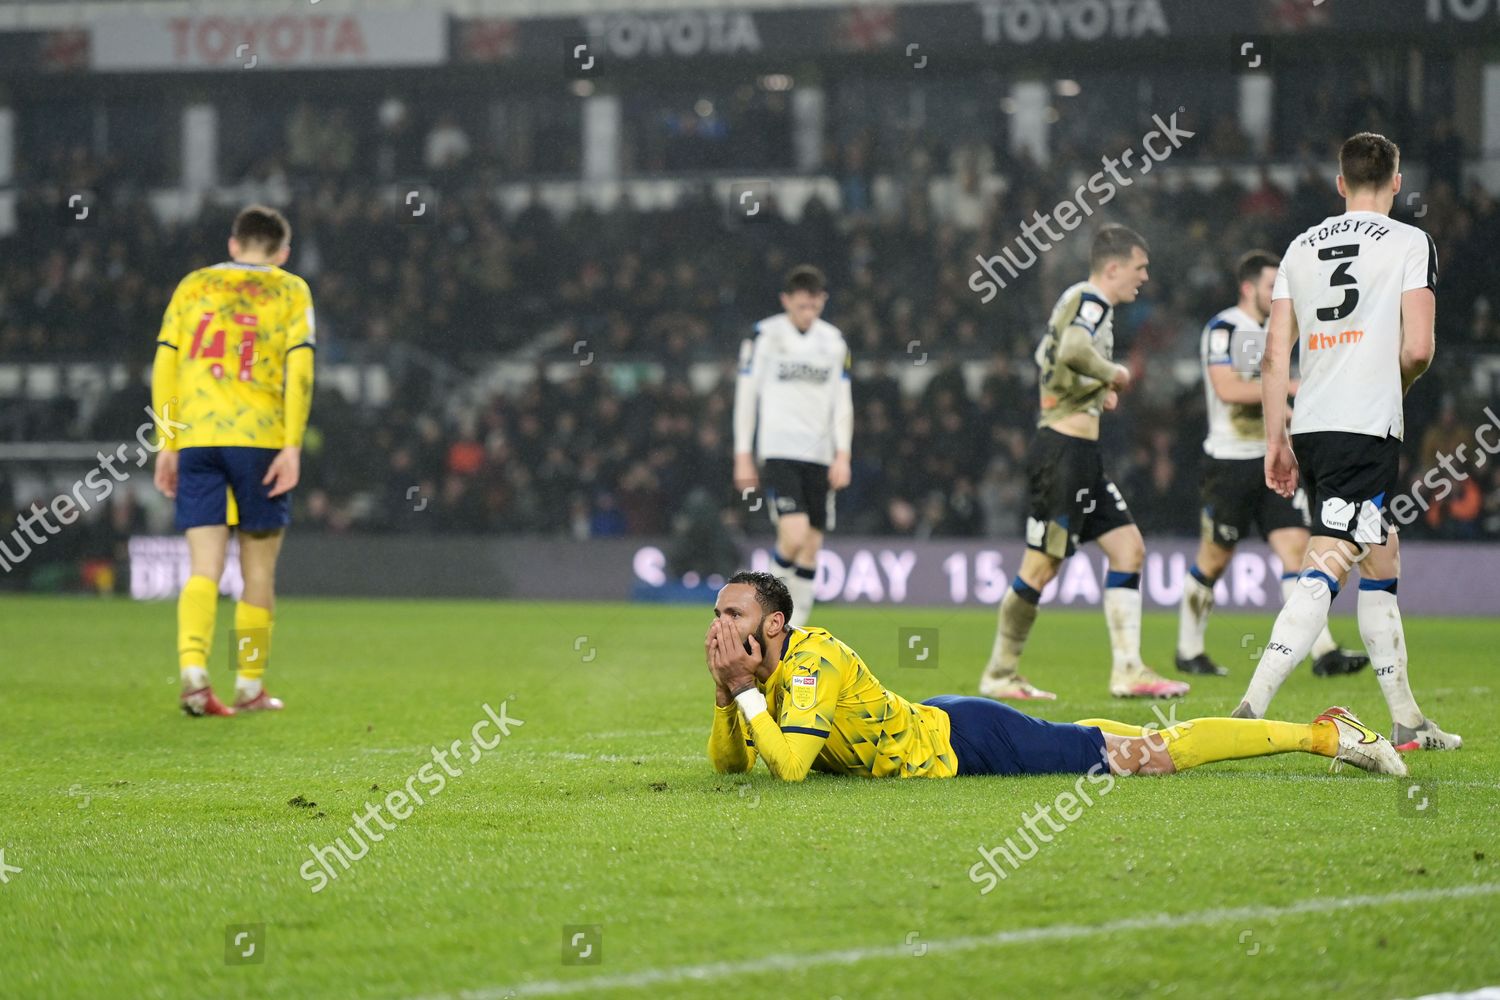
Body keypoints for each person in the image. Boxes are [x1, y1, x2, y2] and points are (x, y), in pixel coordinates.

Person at [704, 572, 1406, 781]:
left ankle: (1321, 735)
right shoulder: (758, 673)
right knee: (1115, 736)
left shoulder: (811, 662)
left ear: (773, 624)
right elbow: (732, 766)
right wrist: (722, 698)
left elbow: (790, 767)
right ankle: (1317, 733)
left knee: (1151, 757)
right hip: (941, 721)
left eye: (731, 612)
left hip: (971, 740)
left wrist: (738, 691)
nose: (717, 625)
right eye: (715, 612)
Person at [1229, 132, 1460, 752]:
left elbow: (1276, 353)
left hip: (1313, 424)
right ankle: (1249, 710)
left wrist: (1276, 438)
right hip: (1365, 425)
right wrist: (1396, 383)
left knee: (1380, 556)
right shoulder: (1412, 242)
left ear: (1339, 183)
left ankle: (1408, 721)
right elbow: (1417, 347)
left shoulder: (1301, 246)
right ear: (1396, 180)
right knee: (1329, 560)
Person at [977, 225, 1188, 701]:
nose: (1144, 277)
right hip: (1062, 455)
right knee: (1041, 568)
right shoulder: (1091, 299)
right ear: (1112, 267)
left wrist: (1092, 393)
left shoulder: (1075, 302)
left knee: (1129, 549)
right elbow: (1072, 349)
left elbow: (1047, 357)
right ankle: (1000, 671)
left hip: (1082, 454)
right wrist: (1113, 373)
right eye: (1139, 267)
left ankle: (1129, 671)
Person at [152, 205, 315, 717]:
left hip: (197, 437)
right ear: (283, 252)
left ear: (233, 244)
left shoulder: (193, 284)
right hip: (259, 436)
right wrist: (292, 444)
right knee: (258, 571)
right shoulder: (291, 289)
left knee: (203, 565)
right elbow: (301, 370)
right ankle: (248, 684)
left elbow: (165, 364)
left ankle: (194, 674)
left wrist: (166, 441)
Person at [1175, 250, 1369, 678]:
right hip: (1228, 464)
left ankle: (1323, 652)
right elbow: (1226, 388)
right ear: (1249, 288)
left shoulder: (1273, 332)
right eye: (1270, 285)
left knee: (1297, 551)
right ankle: (1188, 650)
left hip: (1271, 459)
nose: (1278, 292)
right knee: (1214, 560)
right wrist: (1287, 388)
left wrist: (1290, 410)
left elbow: (1270, 401)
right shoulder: (1225, 328)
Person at [733, 265, 852, 629]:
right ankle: (765, 614)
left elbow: (842, 400)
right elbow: (747, 395)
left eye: (814, 307)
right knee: (794, 534)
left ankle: (793, 632)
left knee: (812, 546)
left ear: (823, 302)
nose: (808, 314)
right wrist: (742, 454)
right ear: (786, 300)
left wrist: (843, 453)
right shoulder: (764, 336)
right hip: (780, 450)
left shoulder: (834, 341)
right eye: (801, 306)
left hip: (820, 454)